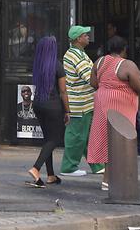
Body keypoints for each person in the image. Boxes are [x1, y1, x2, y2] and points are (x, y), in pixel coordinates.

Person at [88, 35, 140, 191]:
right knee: (121, 140)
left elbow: (93, 83)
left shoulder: (99, 62)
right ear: (124, 49)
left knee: (105, 138)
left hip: (102, 102)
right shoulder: (126, 64)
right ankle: (113, 179)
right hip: (121, 105)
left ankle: (108, 178)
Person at [59, 25, 102, 177]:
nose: (88, 37)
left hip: (85, 102)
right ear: (78, 39)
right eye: (85, 35)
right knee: (77, 135)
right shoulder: (76, 56)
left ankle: (97, 165)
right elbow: (89, 77)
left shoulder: (78, 53)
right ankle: (69, 167)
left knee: (87, 135)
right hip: (79, 103)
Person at [26, 36, 67, 188]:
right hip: (53, 106)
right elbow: (63, 91)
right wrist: (67, 111)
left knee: (47, 139)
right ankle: (36, 168)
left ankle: (50, 175)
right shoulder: (57, 65)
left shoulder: (38, 65)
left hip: (38, 104)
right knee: (55, 140)